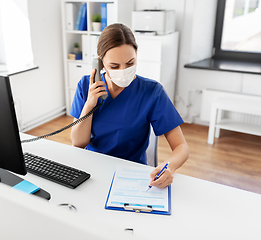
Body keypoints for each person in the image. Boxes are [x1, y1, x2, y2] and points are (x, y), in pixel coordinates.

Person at [70, 23, 189, 189]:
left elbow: (181, 147)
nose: (123, 70)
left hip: (132, 176)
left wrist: (169, 167)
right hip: (93, 172)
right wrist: (90, 104)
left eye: (130, 63)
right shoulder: (86, 86)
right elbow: (78, 143)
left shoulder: (152, 92)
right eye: (114, 66)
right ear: (100, 63)